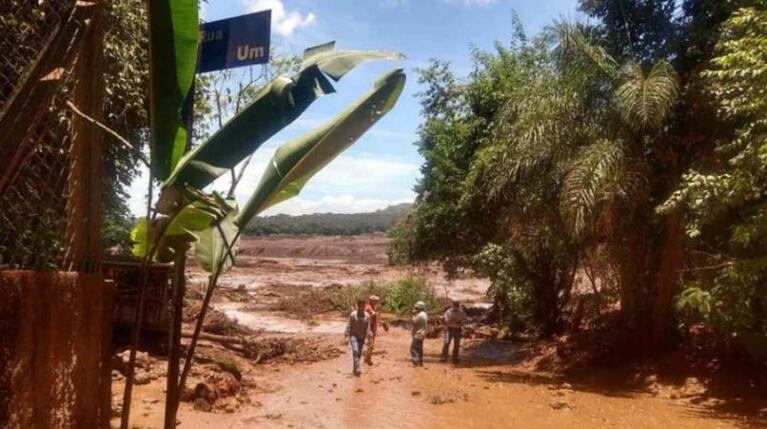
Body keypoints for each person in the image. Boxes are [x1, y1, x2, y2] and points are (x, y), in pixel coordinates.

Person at [345, 298, 371, 376]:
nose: (363, 307)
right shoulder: (353, 315)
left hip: (362, 337)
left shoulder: (367, 316)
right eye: (361, 306)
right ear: (358, 306)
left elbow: (367, 328)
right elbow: (349, 325)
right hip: (353, 336)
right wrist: (346, 334)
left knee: (358, 353)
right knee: (355, 351)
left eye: (364, 306)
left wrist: (366, 338)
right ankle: (358, 368)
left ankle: (355, 368)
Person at [441, 299, 467, 364]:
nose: (456, 306)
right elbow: (445, 320)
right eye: (455, 304)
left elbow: (465, 320)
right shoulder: (448, 311)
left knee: (457, 345)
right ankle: (444, 357)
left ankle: (455, 358)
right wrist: (450, 320)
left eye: (457, 304)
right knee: (446, 343)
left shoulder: (461, 312)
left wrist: (460, 323)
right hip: (449, 329)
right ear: (453, 304)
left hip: (458, 330)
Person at [410, 301, 428, 367]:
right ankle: (420, 363)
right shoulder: (424, 314)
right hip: (422, 334)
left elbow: (414, 322)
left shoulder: (420, 315)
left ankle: (415, 362)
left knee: (413, 349)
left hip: (418, 334)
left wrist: (413, 315)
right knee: (419, 349)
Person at [364, 295, 380, 365]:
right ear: (371, 301)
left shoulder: (373, 307)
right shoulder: (368, 307)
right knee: (371, 345)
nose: (376, 302)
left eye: (377, 301)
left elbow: (374, 318)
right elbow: (369, 317)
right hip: (368, 328)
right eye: (375, 301)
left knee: (371, 345)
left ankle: (367, 359)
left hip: (372, 328)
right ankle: (367, 360)